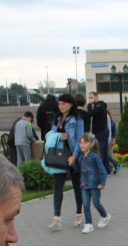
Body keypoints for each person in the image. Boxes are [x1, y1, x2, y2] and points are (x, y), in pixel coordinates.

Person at [46, 93, 83, 231]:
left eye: (64, 103)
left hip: (73, 155)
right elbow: (50, 135)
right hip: (59, 156)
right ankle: (57, 217)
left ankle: (79, 213)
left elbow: (80, 138)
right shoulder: (56, 118)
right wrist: (58, 136)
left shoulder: (77, 119)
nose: (61, 106)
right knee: (57, 185)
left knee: (77, 186)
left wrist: (75, 156)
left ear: (71, 104)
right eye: (59, 103)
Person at [76, 133, 111, 234]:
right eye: (81, 143)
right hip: (84, 185)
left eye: (85, 143)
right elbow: (79, 170)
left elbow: (103, 171)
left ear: (91, 144)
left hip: (95, 185)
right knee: (86, 205)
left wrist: (102, 183)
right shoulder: (80, 158)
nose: (82, 145)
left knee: (96, 203)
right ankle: (88, 224)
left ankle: (105, 215)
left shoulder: (94, 157)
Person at [87, 92, 111, 174]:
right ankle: (107, 170)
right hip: (100, 131)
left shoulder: (99, 105)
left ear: (96, 97)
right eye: (89, 98)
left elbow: (91, 113)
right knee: (103, 152)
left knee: (100, 152)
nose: (90, 99)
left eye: (92, 97)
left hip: (102, 131)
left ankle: (103, 171)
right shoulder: (98, 106)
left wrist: (89, 106)